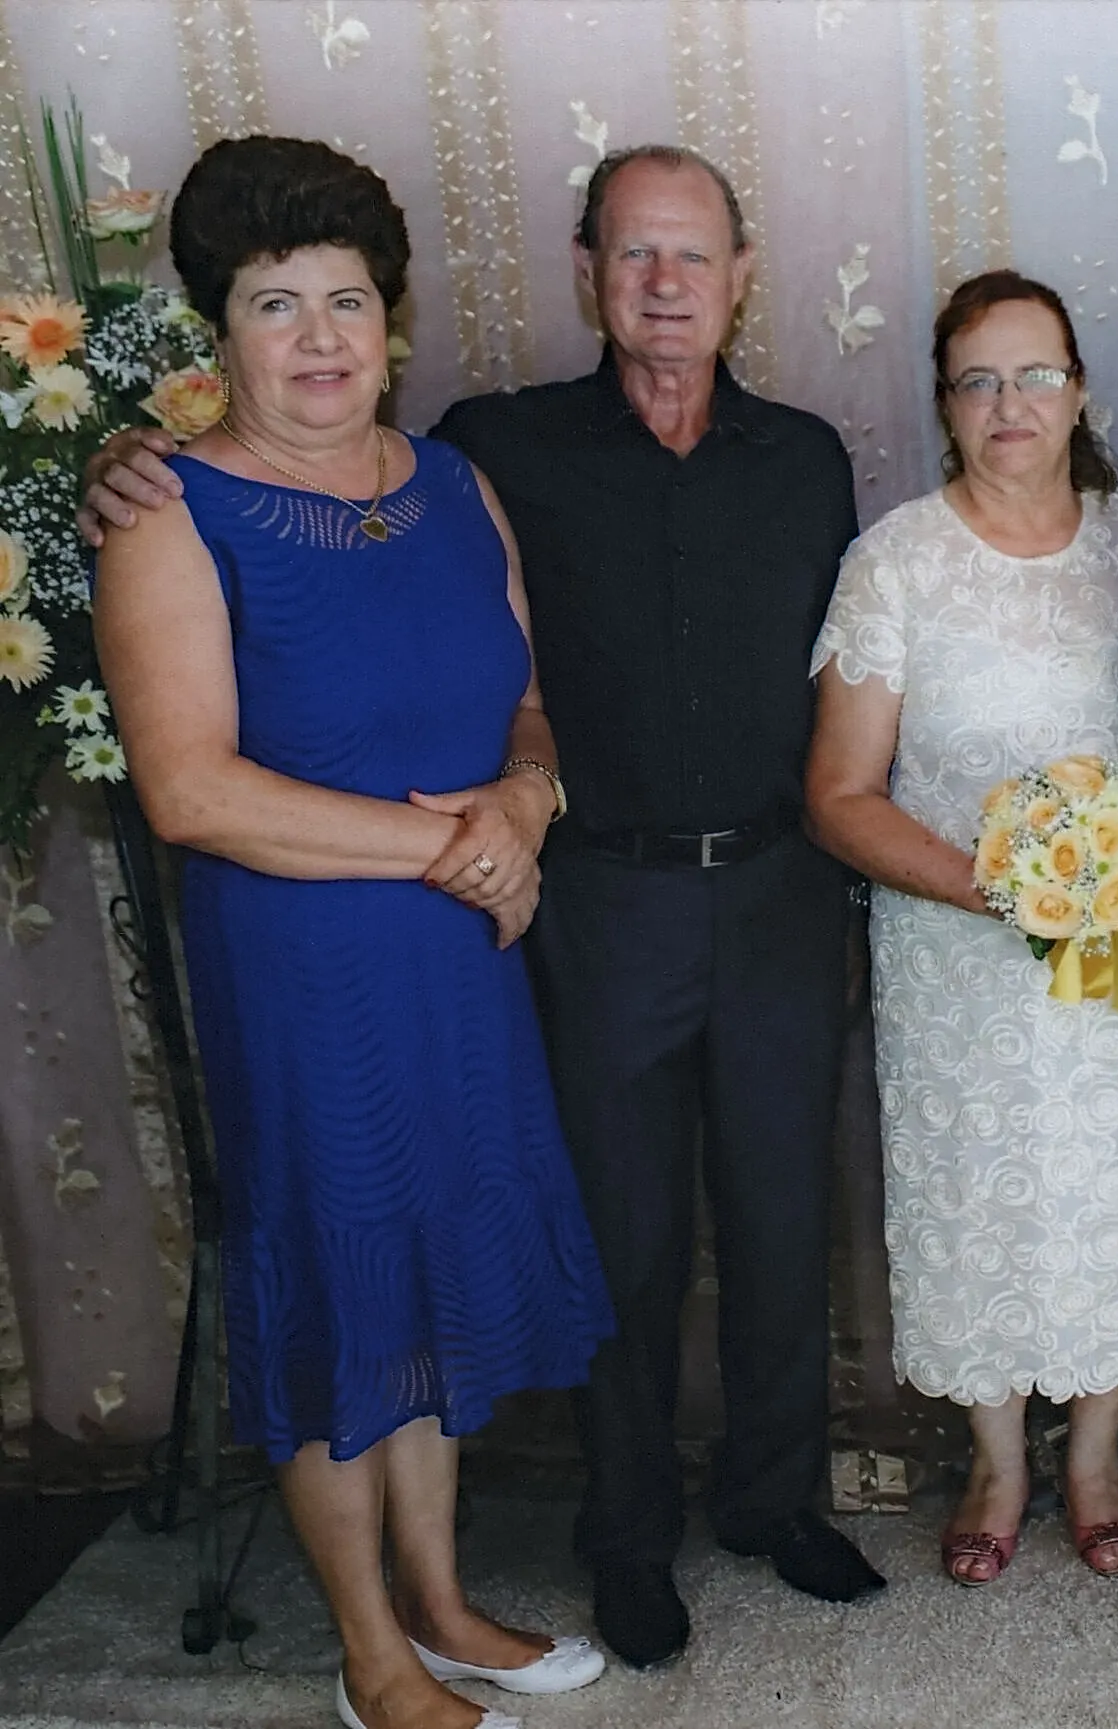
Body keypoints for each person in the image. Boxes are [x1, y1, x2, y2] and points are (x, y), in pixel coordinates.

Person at [83, 144, 883, 1670]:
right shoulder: (493, 446)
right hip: (566, 913)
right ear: (586, 272)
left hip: (735, 894)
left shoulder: (782, 461)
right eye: (633, 255)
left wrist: (520, 796)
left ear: (742, 273)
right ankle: (617, 1546)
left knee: (776, 1222)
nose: (665, 284)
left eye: (694, 256)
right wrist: (107, 453)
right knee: (612, 1236)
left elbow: (532, 694)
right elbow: (196, 754)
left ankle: (759, 1512)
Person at [95, 136, 610, 1729]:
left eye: (345, 302)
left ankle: (445, 1602)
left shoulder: (455, 486)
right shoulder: (169, 511)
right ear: (221, 332)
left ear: (389, 320)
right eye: (274, 304)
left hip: (462, 955)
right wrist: (457, 845)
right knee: (339, 1281)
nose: (318, 339)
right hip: (308, 968)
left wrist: (523, 806)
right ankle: (372, 1656)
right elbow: (191, 792)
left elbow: (524, 697)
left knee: (435, 1262)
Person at [805, 270, 1118, 1586]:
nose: (1010, 403)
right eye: (978, 380)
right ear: (946, 407)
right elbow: (837, 795)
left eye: (1035, 373)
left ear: (1080, 388)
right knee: (976, 1192)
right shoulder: (898, 562)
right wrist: (988, 888)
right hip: (956, 949)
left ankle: (1097, 1451)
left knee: (1111, 1181)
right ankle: (999, 1455)